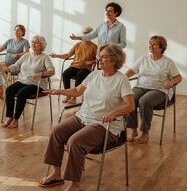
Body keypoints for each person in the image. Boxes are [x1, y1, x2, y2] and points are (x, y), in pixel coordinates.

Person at [38, 43, 134, 190]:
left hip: (104, 125)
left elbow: (130, 106)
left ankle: (75, 184)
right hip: (83, 117)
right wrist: (59, 92)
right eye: (99, 56)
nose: (99, 59)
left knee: (74, 141)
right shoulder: (94, 74)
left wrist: (114, 113)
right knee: (56, 131)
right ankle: (56, 174)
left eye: (103, 57)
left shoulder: (121, 80)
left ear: (114, 60)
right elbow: (77, 91)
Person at [125, 35, 182, 144]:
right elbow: (131, 71)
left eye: (154, 44)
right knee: (130, 99)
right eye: (150, 44)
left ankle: (145, 132)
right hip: (141, 86)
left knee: (144, 101)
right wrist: (121, 79)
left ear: (161, 47)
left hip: (160, 90)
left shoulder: (168, 62)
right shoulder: (143, 59)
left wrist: (172, 82)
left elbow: (178, 77)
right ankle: (133, 130)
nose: (151, 46)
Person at [1, 35, 55, 129]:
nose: (33, 43)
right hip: (23, 80)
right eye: (32, 41)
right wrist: (6, 69)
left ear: (41, 45)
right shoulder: (26, 55)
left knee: (21, 93)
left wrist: (41, 73)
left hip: (37, 84)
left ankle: (16, 119)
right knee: (9, 90)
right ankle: (10, 117)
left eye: (36, 42)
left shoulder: (44, 57)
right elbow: (16, 66)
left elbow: (52, 71)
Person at [50, 26, 97, 104]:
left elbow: (98, 59)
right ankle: (68, 94)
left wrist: (91, 62)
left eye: (87, 33)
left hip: (86, 68)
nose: (85, 35)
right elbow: (68, 55)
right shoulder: (78, 45)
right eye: (84, 33)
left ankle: (74, 97)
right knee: (65, 74)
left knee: (79, 75)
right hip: (75, 66)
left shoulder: (94, 47)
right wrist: (57, 55)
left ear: (91, 35)